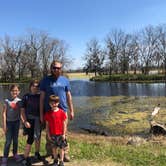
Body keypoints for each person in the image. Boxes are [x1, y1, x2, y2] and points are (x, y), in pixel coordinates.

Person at [40, 60, 74, 161]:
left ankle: (65, 153)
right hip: (49, 113)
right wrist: (41, 114)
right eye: (54, 68)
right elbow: (41, 98)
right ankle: (50, 153)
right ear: (51, 68)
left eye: (58, 68)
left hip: (63, 111)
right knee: (50, 134)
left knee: (64, 133)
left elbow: (68, 96)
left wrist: (71, 110)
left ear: (61, 69)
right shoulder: (45, 80)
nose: (56, 70)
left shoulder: (65, 80)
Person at [21, 80, 42, 166]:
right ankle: (25, 158)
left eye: (37, 86)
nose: (35, 88)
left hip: (38, 120)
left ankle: (37, 153)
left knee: (38, 137)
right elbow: (22, 110)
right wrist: (25, 121)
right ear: (30, 87)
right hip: (29, 120)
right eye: (33, 86)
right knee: (30, 139)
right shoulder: (26, 96)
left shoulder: (40, 96)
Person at [1, 84, 22, 166]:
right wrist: (4, 125)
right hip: (9, 123)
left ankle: (15, 154)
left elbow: (21, 113)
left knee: (16, 140)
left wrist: (22, 123)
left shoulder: (20, 101)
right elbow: (3, 114)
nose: (15, 92)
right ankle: (5, 157)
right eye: (13, 90)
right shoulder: (6, 101)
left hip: (16, 123)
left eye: (16, 90)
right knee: (8, 141)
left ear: (19, 92)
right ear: (10, 92)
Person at [45, 95, 67, 166]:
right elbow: (47, 125)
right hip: (52, 134)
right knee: (54, 148)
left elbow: (64, 124)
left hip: (60, 134)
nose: (54, 104)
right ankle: (55, 160)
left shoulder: (62, 112)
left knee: (61, 148)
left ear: (58, 103)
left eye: (55, 103)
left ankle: (61, 161)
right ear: (49, 104)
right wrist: (48, 134)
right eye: (52, 103)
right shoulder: (48, 114)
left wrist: (64, 134)